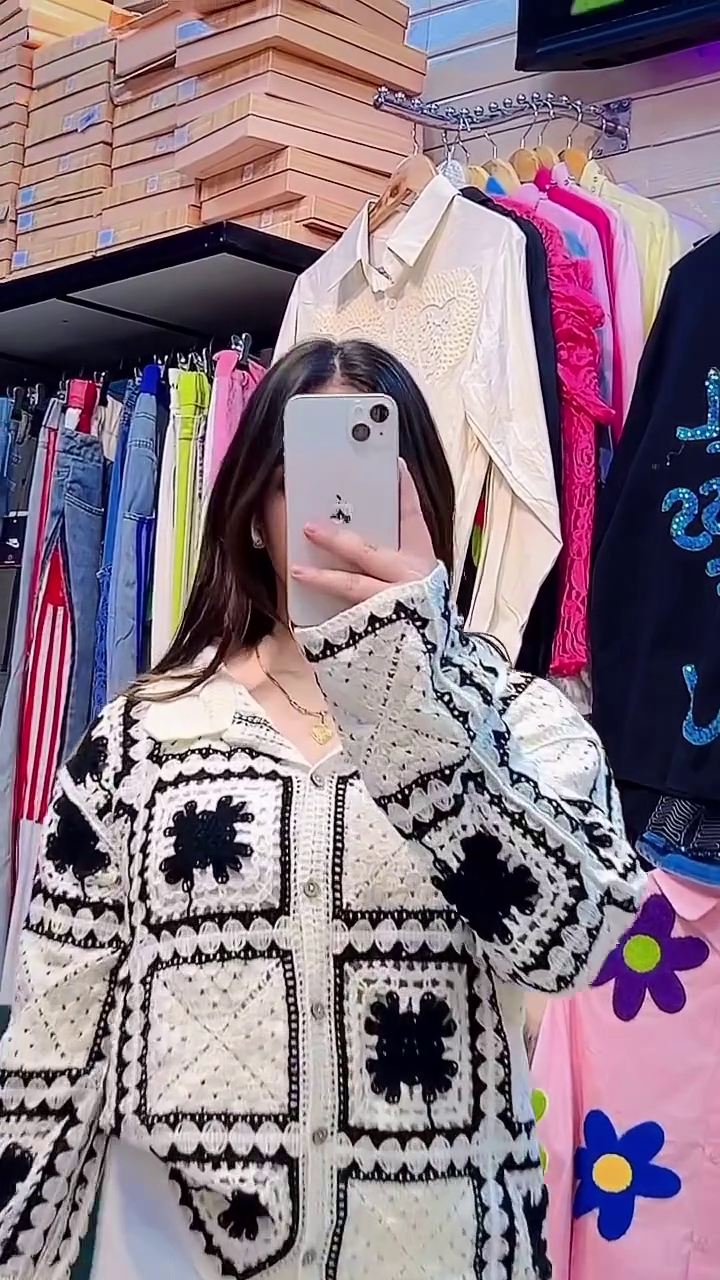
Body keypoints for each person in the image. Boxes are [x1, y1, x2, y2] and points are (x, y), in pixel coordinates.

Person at [0, 339, 644, 1280]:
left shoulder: (520, 723)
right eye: (299, 476)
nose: (339, 507)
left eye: (376, 475)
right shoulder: (140, 740)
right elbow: (47, 1062)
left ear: (426, 503)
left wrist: (401, 686)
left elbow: (576, 942)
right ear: (255, 517)